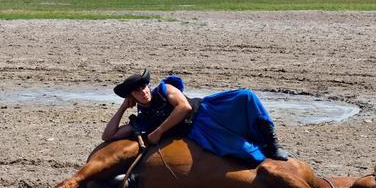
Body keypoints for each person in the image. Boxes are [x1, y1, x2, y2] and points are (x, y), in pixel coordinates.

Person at [102, 70, 290, 162]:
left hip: (206, 110)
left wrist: (159, 131)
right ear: (131, 96)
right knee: (246, 154)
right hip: (197, 131)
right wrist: (122, 108)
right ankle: (264, 152)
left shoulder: (164, 89)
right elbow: (108, 136)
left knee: (246, 96)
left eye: (143, 87)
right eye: (137, 91)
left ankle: (273, 143)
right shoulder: (143, 119)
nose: (143, 92)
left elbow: (183, 107)